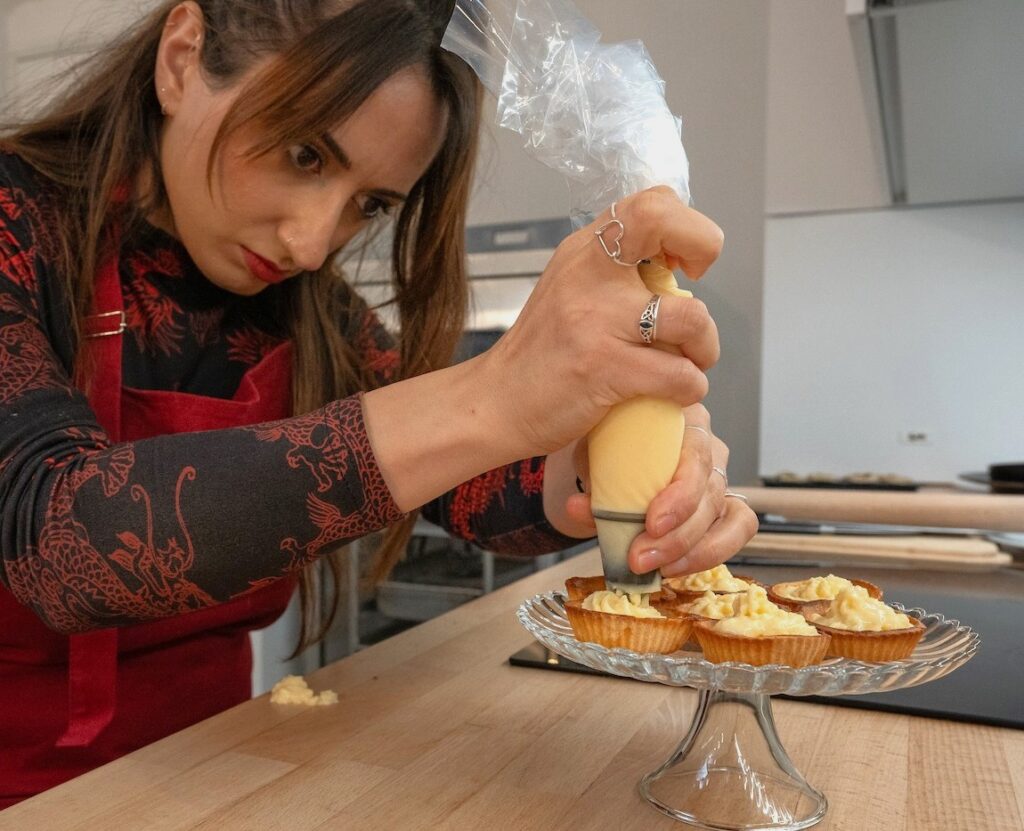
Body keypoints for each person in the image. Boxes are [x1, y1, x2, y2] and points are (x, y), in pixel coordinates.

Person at [0, 0, 758, 808]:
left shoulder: (308, 310)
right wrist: (494, 392)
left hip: (217, 778)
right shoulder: (18, 224)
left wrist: (605, 468)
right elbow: (62, 538)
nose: (313, 243)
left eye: (371, 205)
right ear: (183, 56)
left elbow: (476, 487)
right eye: (302, 154)